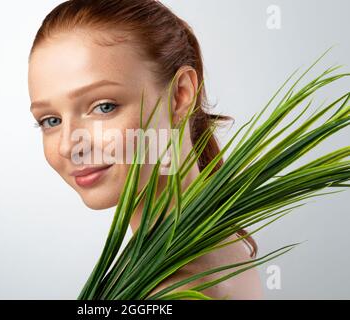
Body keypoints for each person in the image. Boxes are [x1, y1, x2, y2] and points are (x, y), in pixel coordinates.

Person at [28, 0, 263, 299]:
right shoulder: (209, 246)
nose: (67, 146)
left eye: (103, 107)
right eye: (50, 120)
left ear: (180, 95)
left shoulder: (175, 289)